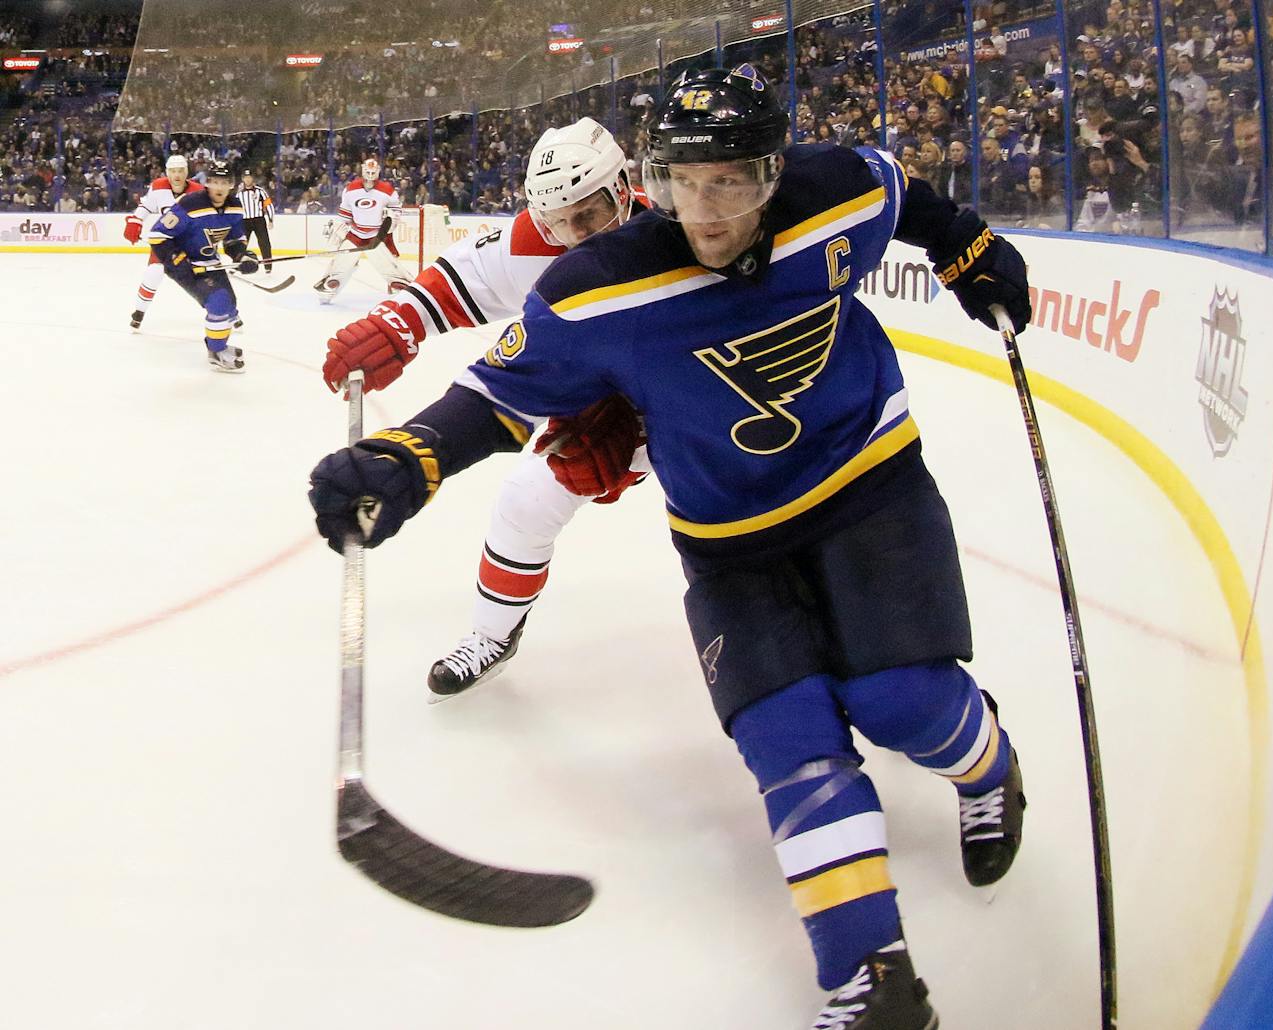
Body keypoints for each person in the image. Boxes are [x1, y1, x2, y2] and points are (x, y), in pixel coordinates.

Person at [308, 66, 1032, 1029]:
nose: (706, 208)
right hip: (728, 537)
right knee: (788, 740)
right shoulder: (600, 279)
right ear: (652, 180)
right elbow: (495, 396)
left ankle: (989, 771)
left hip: (868, 487)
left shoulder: (836, 196)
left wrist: (968, 247)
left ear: (774, 172)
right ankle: (871, 981)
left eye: (731, 180)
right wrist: (407, 459)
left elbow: (912, 197)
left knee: (901, 702)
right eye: (684, 183)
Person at [320, 118, 647, 697]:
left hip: (713, 411)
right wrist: (399, 328)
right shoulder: (534, 247)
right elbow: (485, 357)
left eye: (589, 214)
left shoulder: (684, 231)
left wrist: (649, 425)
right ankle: (494, 634)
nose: (575, 237)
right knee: (526, 499)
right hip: (606, 403)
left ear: (623, 188)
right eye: (557, 220)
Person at [145, 160, 258, 372]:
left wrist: (243, 256)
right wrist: (181, 263)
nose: (219, 187)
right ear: (207, 184)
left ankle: (219, 344)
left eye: (224, 182)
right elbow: (158, 235)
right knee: (219, 301)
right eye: (215, 182)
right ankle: (216, 352)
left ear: (232, 185)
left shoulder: (234, 207)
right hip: (183, 264)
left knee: (230, 303)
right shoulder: (190, 204)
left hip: (210, 262)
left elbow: (234, 240)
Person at [124, 153, 205, 331]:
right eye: (173, 171)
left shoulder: (198, 191)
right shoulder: (158, 187)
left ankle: (224, 311)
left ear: (186, 172)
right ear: (167, 173)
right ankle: (139, 312)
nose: (177, 175)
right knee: (154, 273)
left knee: (201, 279)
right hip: (164, 241)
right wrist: (136, 221)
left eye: (181, 171)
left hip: (190, 242)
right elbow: (146, 205)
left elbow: (207, 216)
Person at [314, 157, 408, 302]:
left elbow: (396, 212)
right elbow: (344, 214)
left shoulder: (388, 190)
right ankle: (330, 285)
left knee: (387, 263)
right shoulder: (351, 188)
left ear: (378, 172)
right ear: (363, 170)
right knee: (341, 262)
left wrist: (390, 220)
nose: (370, 176)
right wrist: (338, 229)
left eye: (373, 172)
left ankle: (398, 284)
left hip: (377, 235)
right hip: (356, 233)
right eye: (368, 172)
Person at [235, 169, 275, 273]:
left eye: (249, 177)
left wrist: (270, 219)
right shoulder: (238, 194)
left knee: (264, 243)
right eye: (245, 177)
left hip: (259, 220)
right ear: (243, 179)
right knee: (241, 244)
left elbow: (268, 204)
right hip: (244, 221)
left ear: (252, 178)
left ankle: (268, 266)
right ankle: (236, 265)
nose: (247, 179)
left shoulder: (260, 191)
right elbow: (235, 208)